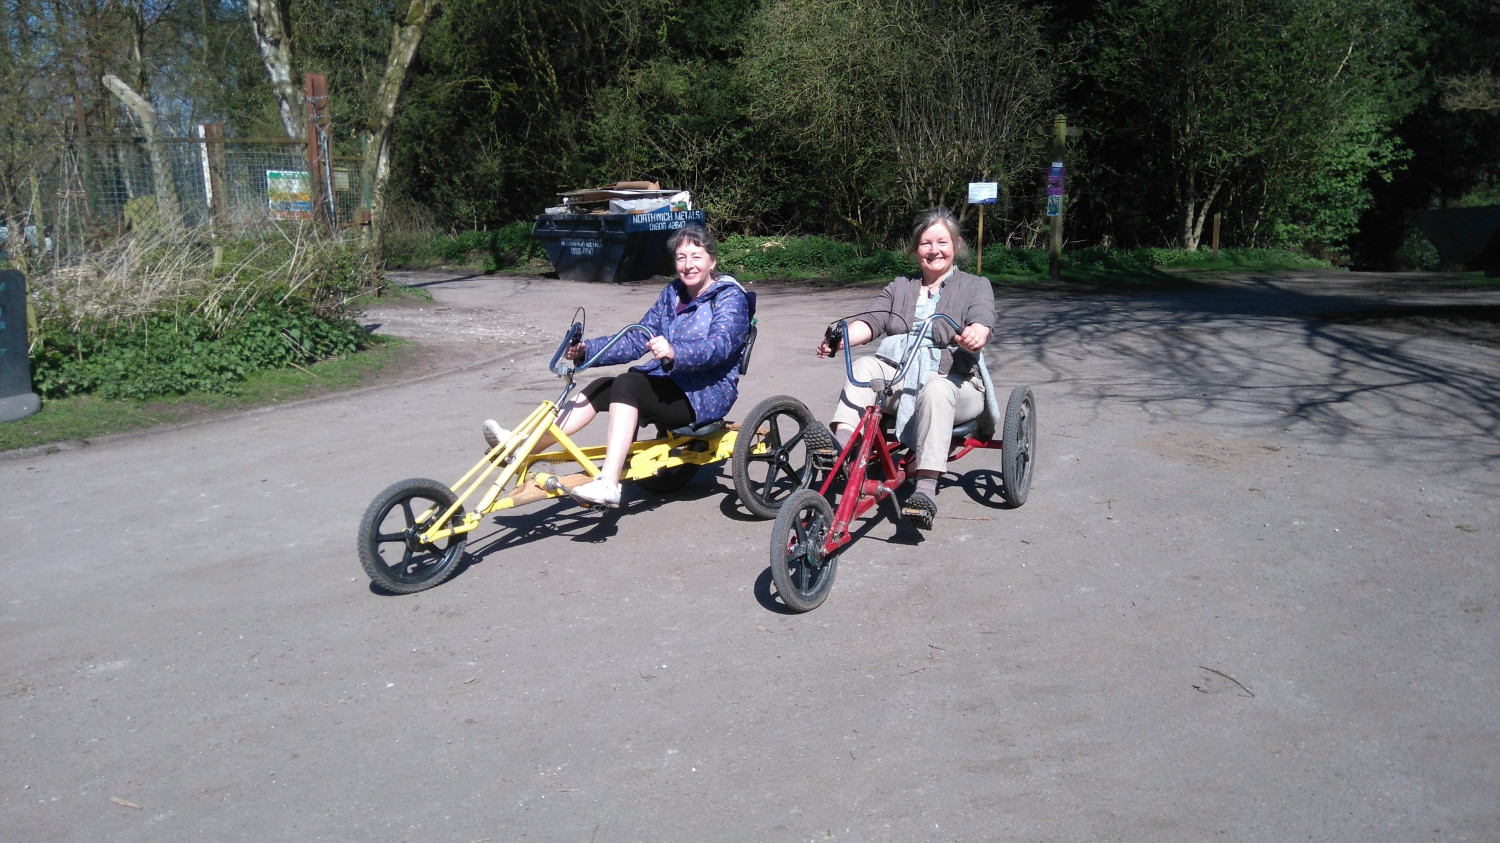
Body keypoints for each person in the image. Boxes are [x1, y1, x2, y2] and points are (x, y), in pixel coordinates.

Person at [482, 223, 751, 507]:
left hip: (705, 394)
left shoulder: (729, 297)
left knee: (627, 384)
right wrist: (589, 350)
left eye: (696, 257)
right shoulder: (673, 294)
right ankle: (522, 446)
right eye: (681, 257)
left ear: (712, 261)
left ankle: (609, 483)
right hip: (673, 383)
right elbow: (637, 337)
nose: (688, 265)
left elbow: (721, 345)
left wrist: (675, 351)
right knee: (603, 388)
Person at [813, 207, 996, 529]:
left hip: (957, 383)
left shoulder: (975, 285)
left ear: (955, 245)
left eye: (942, 242)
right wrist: (842, 339)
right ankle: (839, 447)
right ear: (915, 249)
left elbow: (983, 317)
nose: (934, 250)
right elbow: (873, 321)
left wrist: (976, 332)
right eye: (926, 243)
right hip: (901, 377)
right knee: (867, 364)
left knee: (936, 389)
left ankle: (925, 487)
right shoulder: (900, 286)